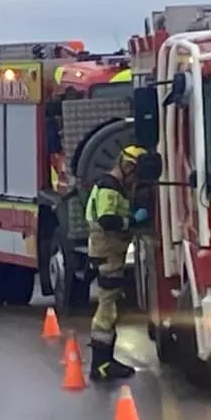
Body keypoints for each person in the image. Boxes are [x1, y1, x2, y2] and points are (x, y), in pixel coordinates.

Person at [84, 144, 149, 381]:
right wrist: (131, 221)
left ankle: (106, 361)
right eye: (136, 174)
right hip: (107, 251)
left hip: (112, 252)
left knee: (111, 303)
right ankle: (101, 364)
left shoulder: (116, 185)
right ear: (127, 166)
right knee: (107, 306)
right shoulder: (109, 187)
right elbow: (107, 219)